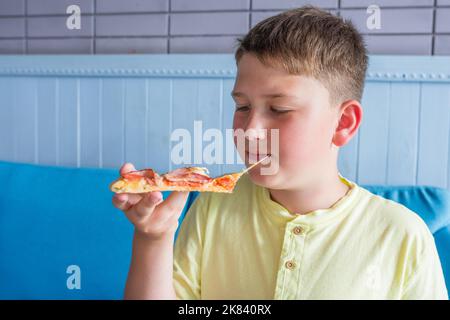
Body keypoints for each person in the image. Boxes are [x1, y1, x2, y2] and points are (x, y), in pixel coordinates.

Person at [112, 6, 448, 299]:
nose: (251, 130)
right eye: (242, 106)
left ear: (343, 123)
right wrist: (152, 238)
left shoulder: (402, 235)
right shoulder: (213, 208)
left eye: (280, 109)